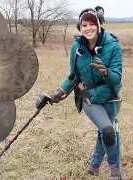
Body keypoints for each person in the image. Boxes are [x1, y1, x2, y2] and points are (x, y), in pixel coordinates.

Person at [49, 8, 123, 180]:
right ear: (80, 27)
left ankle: (94, 166)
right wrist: (60, 91)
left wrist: (106, 73)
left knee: (104, 132)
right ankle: (115, 169)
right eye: (84, 25)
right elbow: (74, 75)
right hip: (88, 98)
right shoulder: (77, 48)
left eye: (92, 24)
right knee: (107, 129)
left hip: (111, 97)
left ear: (98, 25)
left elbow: (117, 78)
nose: (88, 28)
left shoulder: (113, 46)